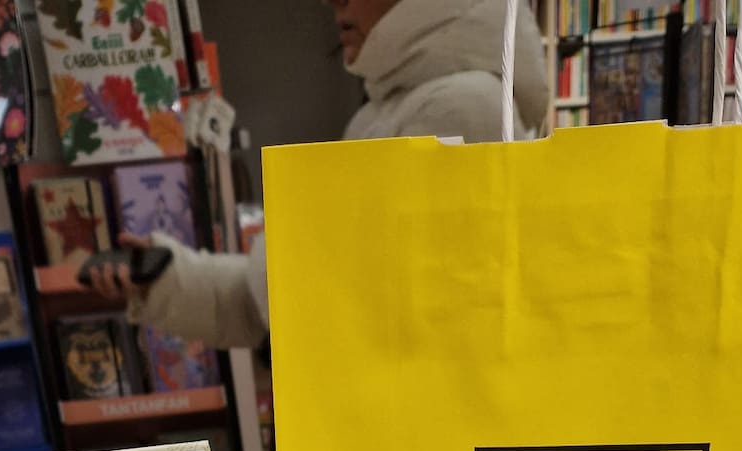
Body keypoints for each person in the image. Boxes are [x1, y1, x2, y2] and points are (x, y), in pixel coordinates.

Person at [89, 0, 549, 347]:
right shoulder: (392, 110)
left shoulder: (462, 108)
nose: (333, 2)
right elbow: (280, 298)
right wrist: (166, 278)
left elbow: (372, 314)